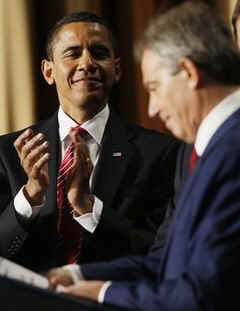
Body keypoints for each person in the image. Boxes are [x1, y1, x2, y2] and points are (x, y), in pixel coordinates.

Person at [47, 2, 240, 311]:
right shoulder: (199, 151)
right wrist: (79, 274)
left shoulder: (232, 150)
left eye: (154, 88)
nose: (152, 108)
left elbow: (204, 299)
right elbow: (166, 262)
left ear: (189, 73)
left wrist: (104, 293)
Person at [0, 12, 180, 272]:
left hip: (113, 306)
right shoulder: (8, 153)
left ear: (116, 69)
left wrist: (88, 207)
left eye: (99, 52)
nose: (87, 62)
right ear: (48, 71)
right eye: (73, 53)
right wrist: (30, 196)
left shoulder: (160, 153)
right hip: (29, 308)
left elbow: (157, 254)